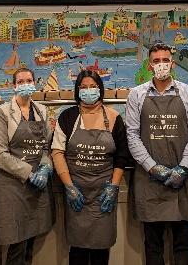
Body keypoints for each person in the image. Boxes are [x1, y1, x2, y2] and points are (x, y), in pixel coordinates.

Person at [126, 41, 188, 265]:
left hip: (184, 181)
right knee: (153, 246)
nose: (161, 65)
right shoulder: (136, 95)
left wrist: (184, 167)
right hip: (149, 181)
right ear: (149, 65)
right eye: (156, 61)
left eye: (165, 60)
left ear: (173, 63)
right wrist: (153, 167)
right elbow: (132, 135)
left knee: (183, 244)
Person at [51, 69, 130, 265]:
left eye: (93, 87)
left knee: (101, 249)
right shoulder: (67, 117)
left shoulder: (113, 117)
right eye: (83, 87)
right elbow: (57, 152)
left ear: (100, 89)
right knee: (77, 248)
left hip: (103, 194)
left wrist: (113, 186)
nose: (88, 91)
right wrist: (69, 187)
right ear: (77, 91)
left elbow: (121, 156)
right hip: (76, 192)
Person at [0, 67, 54, 265]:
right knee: (15, 243)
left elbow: (46, 147)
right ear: (13, 86)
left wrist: (45, 168)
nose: (25, 84)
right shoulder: (2, 112)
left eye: (29, 80)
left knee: (30, 241)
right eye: (21, 81)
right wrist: (29, 173)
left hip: (37, 187)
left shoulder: (42, 111)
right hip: (12, 187)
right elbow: (0, 154)